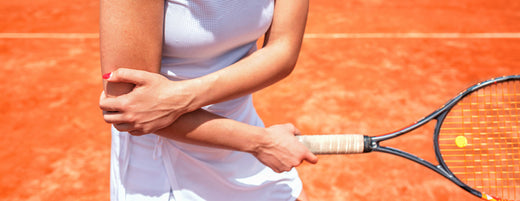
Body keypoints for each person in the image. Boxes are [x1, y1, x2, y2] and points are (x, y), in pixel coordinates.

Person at [98, 0, 317, 200]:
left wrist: (180, 98)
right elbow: (131, 105)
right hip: (162, 164)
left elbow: (283, 50)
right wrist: (260, 142)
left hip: (244, 141)